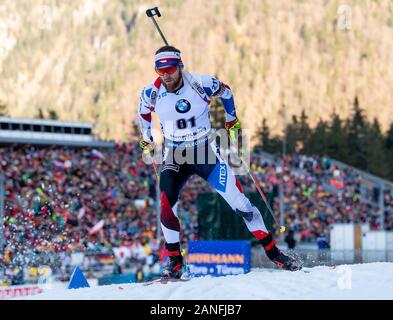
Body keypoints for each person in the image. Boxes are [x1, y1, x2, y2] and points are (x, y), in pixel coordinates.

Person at [137, 45, 301, 279]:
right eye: (160, 70)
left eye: (171, 69)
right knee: (165, 206)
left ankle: (274, 253)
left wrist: (231, 120)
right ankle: (174, 262)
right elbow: (143, 113)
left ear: (180, 66)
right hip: (174, 154)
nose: (166, 75)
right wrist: (146, 138)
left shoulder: (201, 83)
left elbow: (227, 92)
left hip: (205, 151)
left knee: (241, 204)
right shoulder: (150, 93)